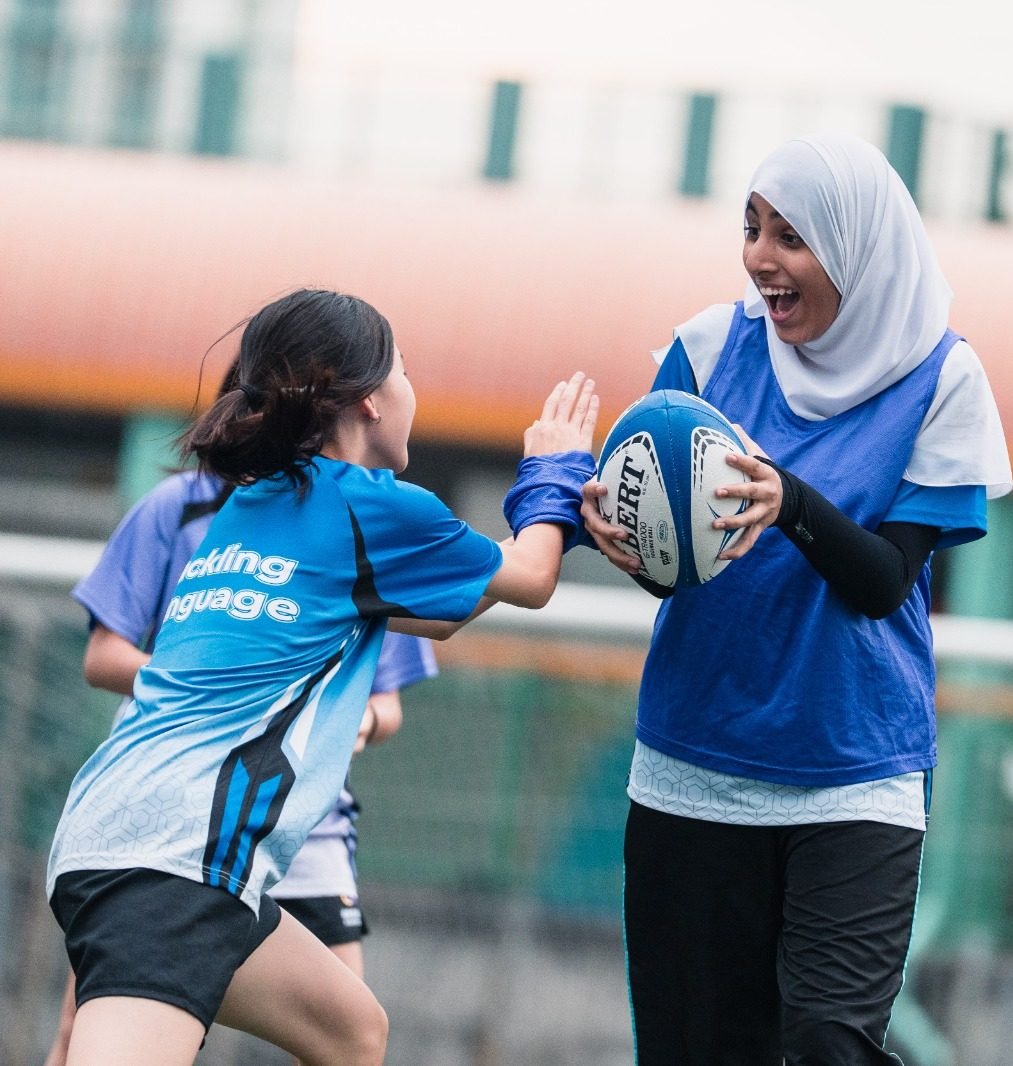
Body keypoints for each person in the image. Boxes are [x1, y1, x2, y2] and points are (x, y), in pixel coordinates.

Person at [44, 288, 600, 1066]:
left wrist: (558, 515)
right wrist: (555, 469)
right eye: (405, 370)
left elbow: (441, 614)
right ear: (370, 398)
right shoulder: (366, 506)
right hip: (175, 861)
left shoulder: (253, 503)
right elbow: (532, 577)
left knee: (351, 1033)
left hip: (129, 837)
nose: (411, 389)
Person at [580, 133, 1012, 1065]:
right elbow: (668, 550)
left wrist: (792, 502)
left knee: (828, 1043)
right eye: (752, 229)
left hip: (856, 772)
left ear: (858, 247)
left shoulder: (943, 378)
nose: (761, 258)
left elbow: (885, 581)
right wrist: (615, 534)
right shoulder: (707, 347)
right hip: (694, 761)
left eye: (792, 236)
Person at [44, 452, 438, 1066]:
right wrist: (216, 686)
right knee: (84, 1026)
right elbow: (104, 656)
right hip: (178, 814)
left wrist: (356, 720)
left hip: (299, 817)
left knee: (352, 1032)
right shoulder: (185, 507)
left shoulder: (364, 518)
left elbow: (391, 697)